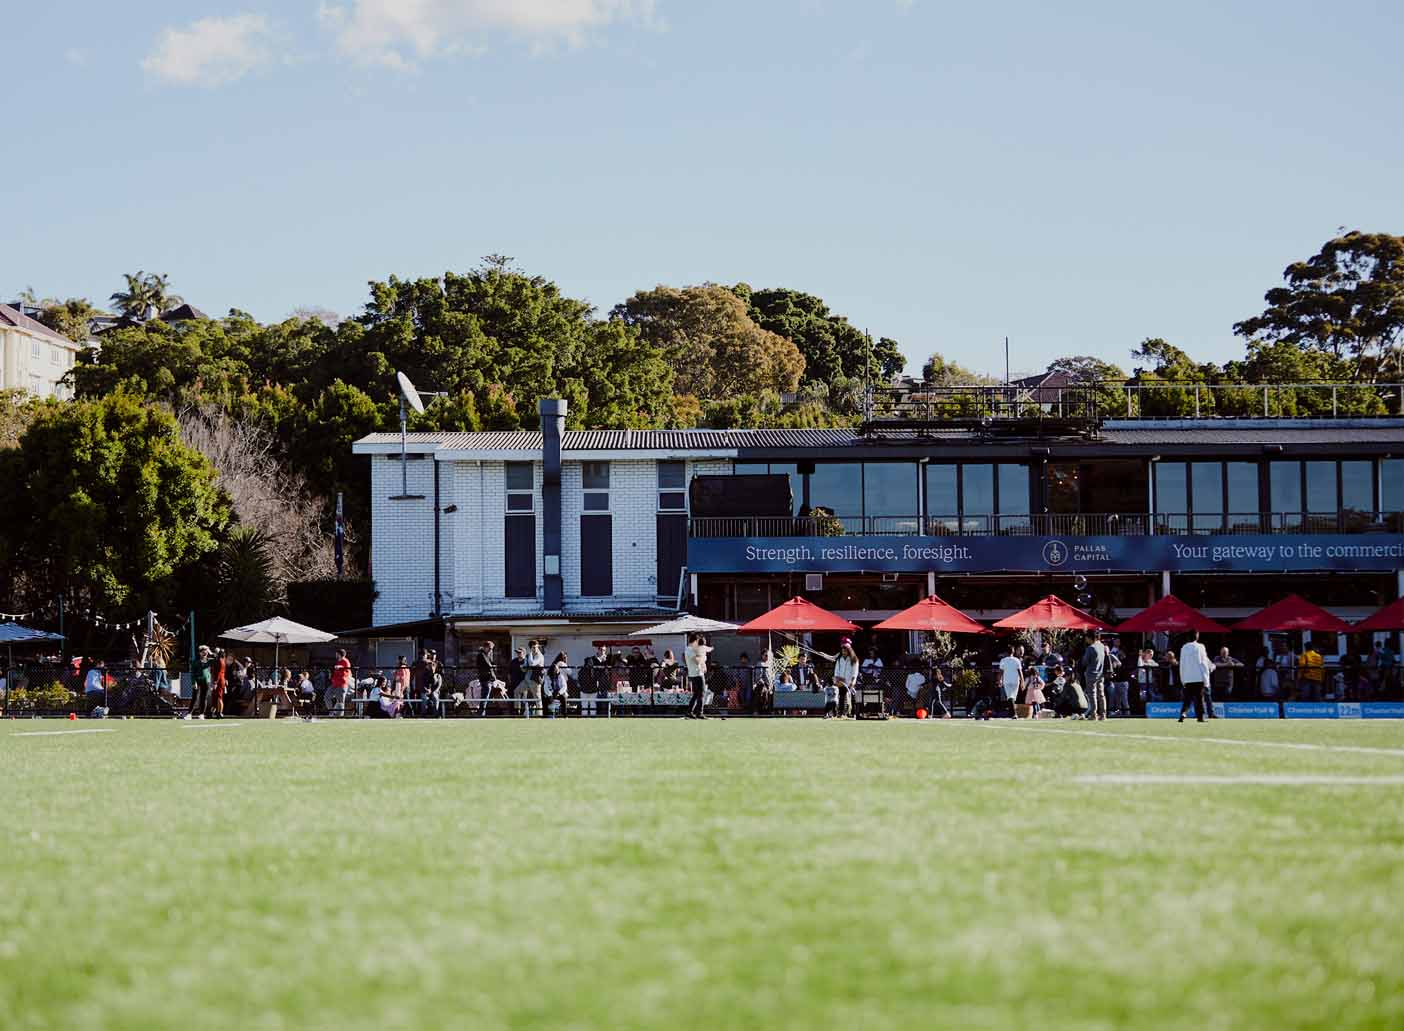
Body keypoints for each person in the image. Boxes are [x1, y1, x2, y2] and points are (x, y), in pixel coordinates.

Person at [1178, 630, 1212, 723]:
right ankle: (1200, 717)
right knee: (1199, 698)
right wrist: (1206, 679)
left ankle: (1183, 713)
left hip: (1188, 677)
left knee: (1187, 698)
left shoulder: (1184, 647)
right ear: (1197, 636)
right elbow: (1203, 663)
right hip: (1198, 677)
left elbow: (1182, 664)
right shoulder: (1201, 647)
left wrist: (1183, 678)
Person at [1080, 633, 1109, 721]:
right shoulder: (1102, 646)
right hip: (1100, 673)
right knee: (1101, 694)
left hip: (1091, 673)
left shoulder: (1091, 648)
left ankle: (1093, 714)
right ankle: (1103, 714)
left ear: (1090, 638)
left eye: (1087, 638)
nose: (1086, 640)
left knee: (1092, 694)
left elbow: (1085, 661)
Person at [685, 634, 712, 719]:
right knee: (701, 693)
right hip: (697, 674)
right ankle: (699, 713)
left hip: (693, 674)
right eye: (697, 641)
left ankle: (689, 712)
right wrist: (703, 657)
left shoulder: (689, 649)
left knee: (696, 694)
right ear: (695, 641)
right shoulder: (690, 650)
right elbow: (697, 661)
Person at [833, 638, 860, 718]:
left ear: (849, 651)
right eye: (843, 651)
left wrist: (852, 682)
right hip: (841, 681)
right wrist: (837, 679)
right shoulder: (839, 660)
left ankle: (853, 713)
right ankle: (840, 713)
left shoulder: (854, 659)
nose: (844, 652)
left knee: (853, 697)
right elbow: (836, 670)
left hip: (850, 682)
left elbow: (855, 672)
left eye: (845, 651)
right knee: (841, 697)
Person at [998, 645, 1024, 716]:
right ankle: (1012, 713)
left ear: (1006, 652)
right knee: (1012, 697)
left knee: (1010, 697)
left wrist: (1000, 680)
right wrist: (1022, 681)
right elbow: (1020, 672)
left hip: (1006, 681)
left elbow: (1001, 672)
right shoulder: (1017, 660)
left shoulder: (1003, 660)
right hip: (1016, 681)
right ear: (1013, 652)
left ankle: (1014, 714)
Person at [325, 648, 352, 716]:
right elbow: (336, 672)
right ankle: (332, 712)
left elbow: (347, 672)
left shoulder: (345, 661)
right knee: (326, 697)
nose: (336, 655)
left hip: (342, 684)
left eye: (336, 654)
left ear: (339, 654)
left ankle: (339, 716)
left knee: (340, 701)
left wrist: (340, 667)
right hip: (335, 683)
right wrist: (332, 677)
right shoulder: (338, 661)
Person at [545, 652, 571, 717]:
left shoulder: (561, 676)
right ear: (552, 671)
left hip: (559, 692)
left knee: (563, 698)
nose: (557, 671)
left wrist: (559, 693)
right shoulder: (548, 677)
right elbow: (546, 687)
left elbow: (564, 686)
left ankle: (565, 715)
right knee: (544, 699)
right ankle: (545, 715)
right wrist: (550, 695)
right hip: (551, 692)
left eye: (557, 670)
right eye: (555, 670)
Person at [477, 642, 500, 716]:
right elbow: (488, 665)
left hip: (489, 678)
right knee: (485, 696)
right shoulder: (481, 655)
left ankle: (483, 713)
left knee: (487, 696)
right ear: (485, 647)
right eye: (489, 648)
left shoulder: (487, 655)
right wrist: (493, 666)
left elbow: (491, 664)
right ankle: (481, 713)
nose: (490, 650)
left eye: (492, 649)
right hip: (485, 678)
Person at [1107, 640, 1130, 716]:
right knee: (1117, 701)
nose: (1117, 643)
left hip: (1123, 681)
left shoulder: (1123, 654)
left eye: (1118, 641)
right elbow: (1113, 665)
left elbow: (1122, 662)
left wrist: (1120, 655)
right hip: (1115, 681)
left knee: (1124, 700)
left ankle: (1127, 714)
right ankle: (1118, 714)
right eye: (1116, 641)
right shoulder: (1112, 652)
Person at [188, 649, 211, 718]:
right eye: (203, 652)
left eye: (206, 652)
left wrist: (210, 652)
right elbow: (192, 673)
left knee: (203, 698)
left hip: (206, 681)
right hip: (197, 681)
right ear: (200, 653)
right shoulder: (195, 662)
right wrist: (194, 682)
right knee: (194, 697)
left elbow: (217, 658)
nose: (204, 654)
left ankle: (202, 714)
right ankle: (189, 714)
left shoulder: (209, 661)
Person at [753, 649, 775, 714]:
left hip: (769, 685)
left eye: (769, 656)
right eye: (766, 655)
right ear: (762, 656)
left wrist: (771, 684)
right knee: (761, 695)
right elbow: (758, 677)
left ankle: (769, 711)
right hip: (761, 685)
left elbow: (770, 676)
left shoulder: (769, 664)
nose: (767, 657)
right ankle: (756, 711)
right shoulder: (760, 664)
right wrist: (765, 685)